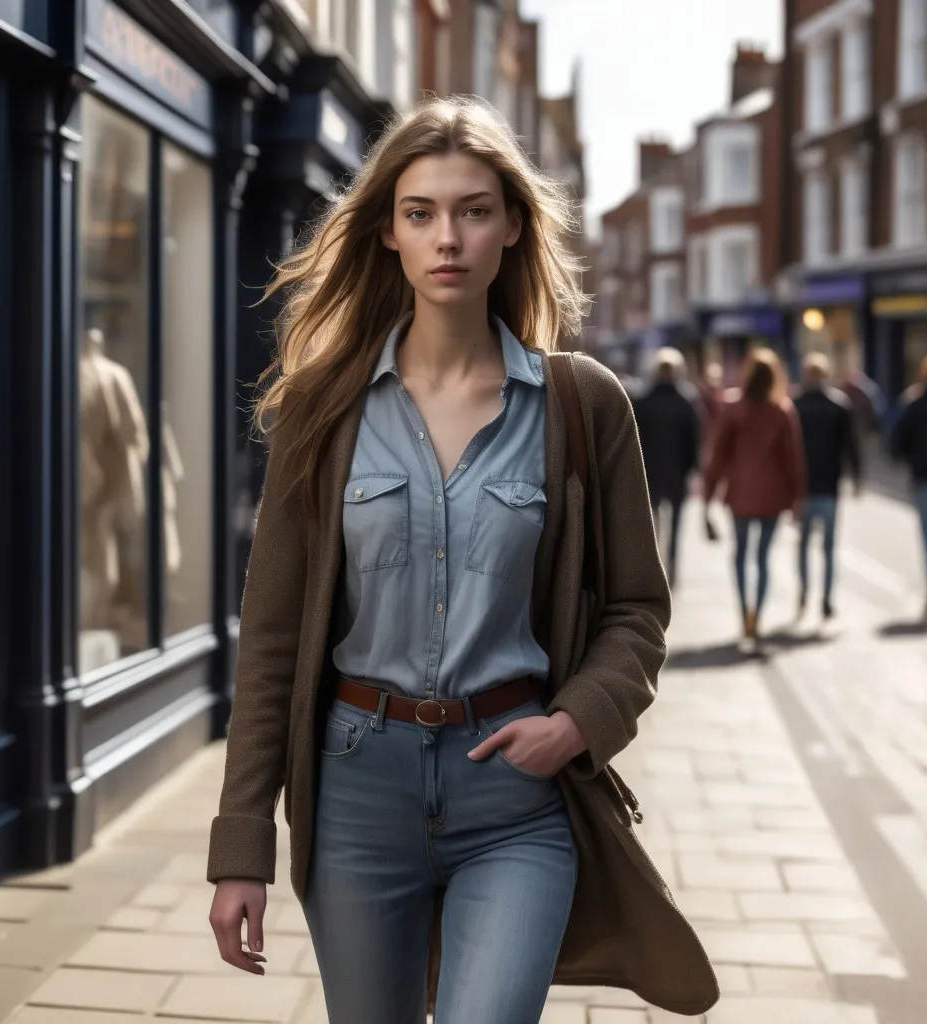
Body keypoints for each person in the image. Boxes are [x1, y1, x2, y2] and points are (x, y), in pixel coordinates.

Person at [205, 97, 717, 1024]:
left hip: (515, 801)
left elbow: (638, 611)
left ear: (513, 226)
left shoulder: (583, 404)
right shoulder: (323, 410)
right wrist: (240, 844)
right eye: (421, 213)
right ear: (389, 233)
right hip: (356, 793)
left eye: (475, 210)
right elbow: (272, 640)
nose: (450, 237)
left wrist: (576, 725)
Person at [704, 348, 805, 649]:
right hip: (773, 498)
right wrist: (796, 497)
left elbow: (717, 457)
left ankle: (742, 612)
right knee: (762, 559)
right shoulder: (782, 411)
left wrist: (709, 497)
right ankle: (756, 614)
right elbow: (793, 460)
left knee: (739, 555)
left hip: (740, 496)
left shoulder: (734, 409)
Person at [793, 353, 862, 620]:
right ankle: (827, 598)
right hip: (829, 487)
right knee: (829, 548)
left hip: (802, 488)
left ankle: (804, 591)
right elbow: (851, 447)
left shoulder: (794, 405)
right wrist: (856, 478)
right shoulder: (839, 405)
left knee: (803, 545)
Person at [633, 347, 700, 587]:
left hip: (647, 473)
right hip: (676, 474)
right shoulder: (685, 404)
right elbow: (694, 442)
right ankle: (671, 568)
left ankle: (653, 569)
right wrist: (691, 469)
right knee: (676, 527)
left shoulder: (642, 403)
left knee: (650, 526)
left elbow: (634, 440)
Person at [890, 354, 927, 619]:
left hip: (923, 479)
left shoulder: (914, 404)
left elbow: (897, 442)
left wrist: (911, 457)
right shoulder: (913, 403)